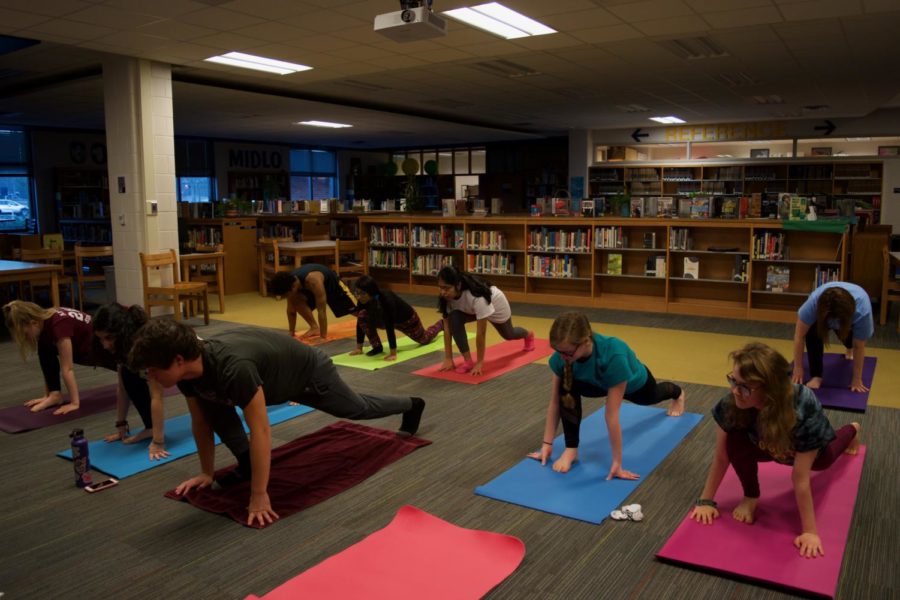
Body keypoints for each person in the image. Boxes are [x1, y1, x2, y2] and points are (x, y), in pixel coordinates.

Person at [128, 319, 426, 527]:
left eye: (153, 370)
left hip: (308, 374)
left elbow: (260, 430)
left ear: (178, 359)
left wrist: (259, 496)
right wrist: (207, 472)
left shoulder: (233, 368)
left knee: (355, 408)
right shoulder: (190, 373)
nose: (150, 376)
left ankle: (411, 404)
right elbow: (201, 423)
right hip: (269, 378)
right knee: (214, 409)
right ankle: (247, 466)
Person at [691, 342, 860, 559]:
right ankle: (751, 497)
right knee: (734, 441)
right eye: (733, 380)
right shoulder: (733, 403)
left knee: (826, 460)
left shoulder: (801, 405)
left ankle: (853, 429)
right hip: (764, 446)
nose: (734, 390)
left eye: (743, 386)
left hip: (798, 451)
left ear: (770, 388)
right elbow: (722, 457)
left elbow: (800, 478)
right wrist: (705, 500)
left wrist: (809, 531)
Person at [529, 311, 685, 479]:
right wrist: (547, 444)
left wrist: (617, 464)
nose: (562, 357)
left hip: (632, 384)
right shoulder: (564, 357)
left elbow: (611, 415)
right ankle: (571, 449)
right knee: (567, 388)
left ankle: (678, 392)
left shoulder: (613, 354)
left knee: (652, 397)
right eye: (558, 351)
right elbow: (555, 403)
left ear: (585, 341)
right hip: (594, 383)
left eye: (567, 352)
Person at [3, 300, 116, 415]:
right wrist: (48, 395)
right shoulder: (46, 319)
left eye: (26, 334)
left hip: (105, 350)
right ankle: (54, 394)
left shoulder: (58, 325)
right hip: (87, 349)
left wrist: (74, 403)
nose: (26, 338)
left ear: (33, 323)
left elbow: (67, 369)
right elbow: (47, 361)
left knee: (128, 371)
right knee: (44, 348)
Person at [92, 303, 170, 461]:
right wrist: (121, 426)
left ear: (121, 332)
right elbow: (123, 388)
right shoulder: (123, 345)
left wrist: (158, 442)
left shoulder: (144, 343)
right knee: (128, 374)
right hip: (169, 365)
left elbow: (156, 396)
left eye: (109, 338)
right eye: (101, 339)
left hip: (193, 359)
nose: (105, 345)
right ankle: (149, 427)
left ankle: (152, 430)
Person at [436, 265, 534, 376]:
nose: (443, 292)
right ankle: (468, 361)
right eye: (440, 287)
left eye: (447, 288)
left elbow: (481, 333)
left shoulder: (477, 297)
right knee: (454, 319)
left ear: (458, 285)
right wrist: (448, 358)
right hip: (470, 309)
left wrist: (479, 363)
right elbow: (447, 327)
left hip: (496, 304)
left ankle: (528, 334)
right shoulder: (446, 297)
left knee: (508, 334)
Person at [791, 282, 874, 393]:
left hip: (849, 314)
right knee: (812, 332)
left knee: (850, 342)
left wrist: (857, 379)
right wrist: (798, 367)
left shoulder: (862, 311)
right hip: (822, 312)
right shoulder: (813, 304)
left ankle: (848, 349)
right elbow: (799, 336)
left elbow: (859, 346)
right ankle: (816, 375)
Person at [350, 275, 443, 360]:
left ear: (371, 292)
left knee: (424, 339)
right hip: (383, 319)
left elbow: (389, 326)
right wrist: (359, 348)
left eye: (362, 293)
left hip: (406, 319)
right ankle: (377, 346)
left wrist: (393, 353)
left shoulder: (386, 299)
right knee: (362, 315)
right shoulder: (362, 300)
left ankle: (441, 324)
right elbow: (360, 321)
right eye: (357, 293)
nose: (359, 296)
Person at [269, 263, 357, 340]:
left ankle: (370, 319)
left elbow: (321, 311)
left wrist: (323, 337)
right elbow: (291, 311)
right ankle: (314, 327)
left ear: (293, 287)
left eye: (286, 295)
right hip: (309, 288)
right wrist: (291, 332)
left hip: (333, 286)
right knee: (295, 300)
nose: (286, 297)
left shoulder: (313, 280)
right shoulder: (289, 282)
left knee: (357, 312)